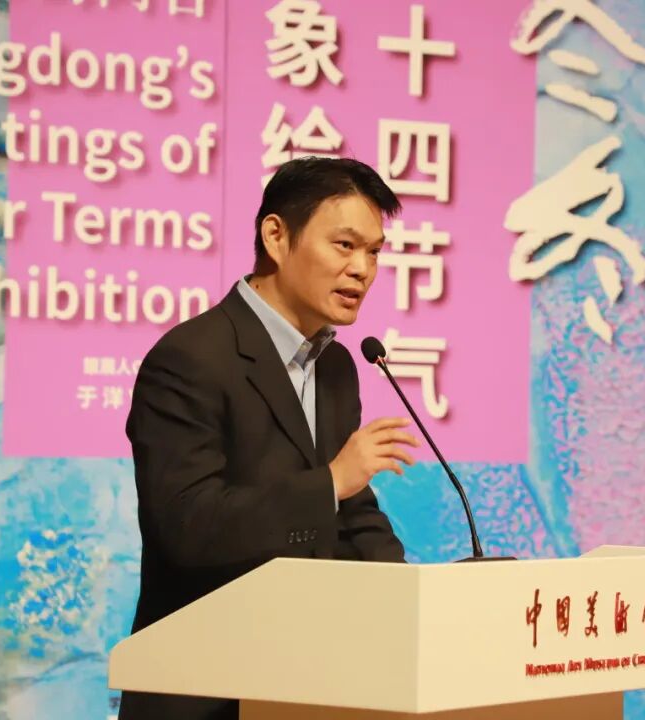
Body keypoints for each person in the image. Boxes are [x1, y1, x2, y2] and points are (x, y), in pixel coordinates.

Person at [118, 157, 419, 720]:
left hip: (306, 683)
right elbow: (187, 527)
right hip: (206, 690)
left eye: (374, 252)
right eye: (345, 245)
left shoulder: (337, 367)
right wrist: (329, 483)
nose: (362, 269)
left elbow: (353, 515)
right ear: (277, 237)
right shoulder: (189, 358)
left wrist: (416, 609)